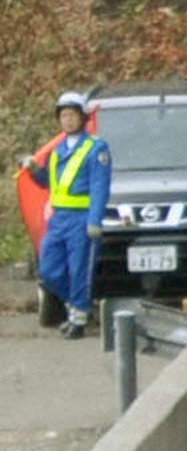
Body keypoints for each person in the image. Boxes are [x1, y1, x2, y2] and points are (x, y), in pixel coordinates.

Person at [33, 92, 110, 340]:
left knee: (79, 271)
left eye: (72, 115)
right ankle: (78, 307)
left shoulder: (95, 148)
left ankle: (78, 317)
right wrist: (35, 170)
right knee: (49, 270)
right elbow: (50, 183)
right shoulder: (56, 151)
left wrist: (95, 220)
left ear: (83, 117)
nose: (67, 120)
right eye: (63, 115)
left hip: (82, 219)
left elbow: (100, 186)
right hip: (59, 220)